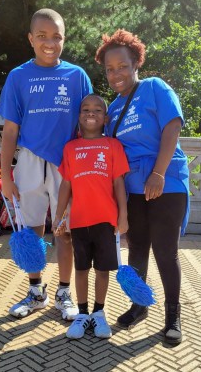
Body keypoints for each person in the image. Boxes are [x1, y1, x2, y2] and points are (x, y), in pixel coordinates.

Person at [95, 29, 190, 345]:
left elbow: (172, 127)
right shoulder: (112, 110)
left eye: (122, 66)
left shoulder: (154, 88)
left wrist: (159, 173)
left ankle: (173, 316)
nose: (116, 74)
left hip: (166, 183)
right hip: (133, 190)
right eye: (110, 69)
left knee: (165, 251)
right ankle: (139, 305)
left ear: (136, 63)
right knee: (136, 249)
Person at [0, 8, 93, 320]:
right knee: (33, 231)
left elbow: (89, 127)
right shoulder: (17, 77)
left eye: (56, 36)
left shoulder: (77, 76)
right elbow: (10, 131)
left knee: (64, 230)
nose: (49, 42)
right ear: (30, 39)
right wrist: (6, 176)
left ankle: (64, 293)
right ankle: (36, 291)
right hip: (27, 163)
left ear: (64, 39)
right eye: (42, 36)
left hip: (66, 167)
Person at [53, 94, 129, 339]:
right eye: (85, 109)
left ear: (105, 118)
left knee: (103, 269)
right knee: (82, 268)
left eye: (97, 110)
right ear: (79, 116)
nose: (91, 113)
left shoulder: (112, 146)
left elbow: (119, 184)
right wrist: (58, 217)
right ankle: (83, 314)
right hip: (78, 220)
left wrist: (123, 216)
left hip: (106, 220)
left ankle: (99, 313)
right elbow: (66, 185)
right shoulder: (70, 147)